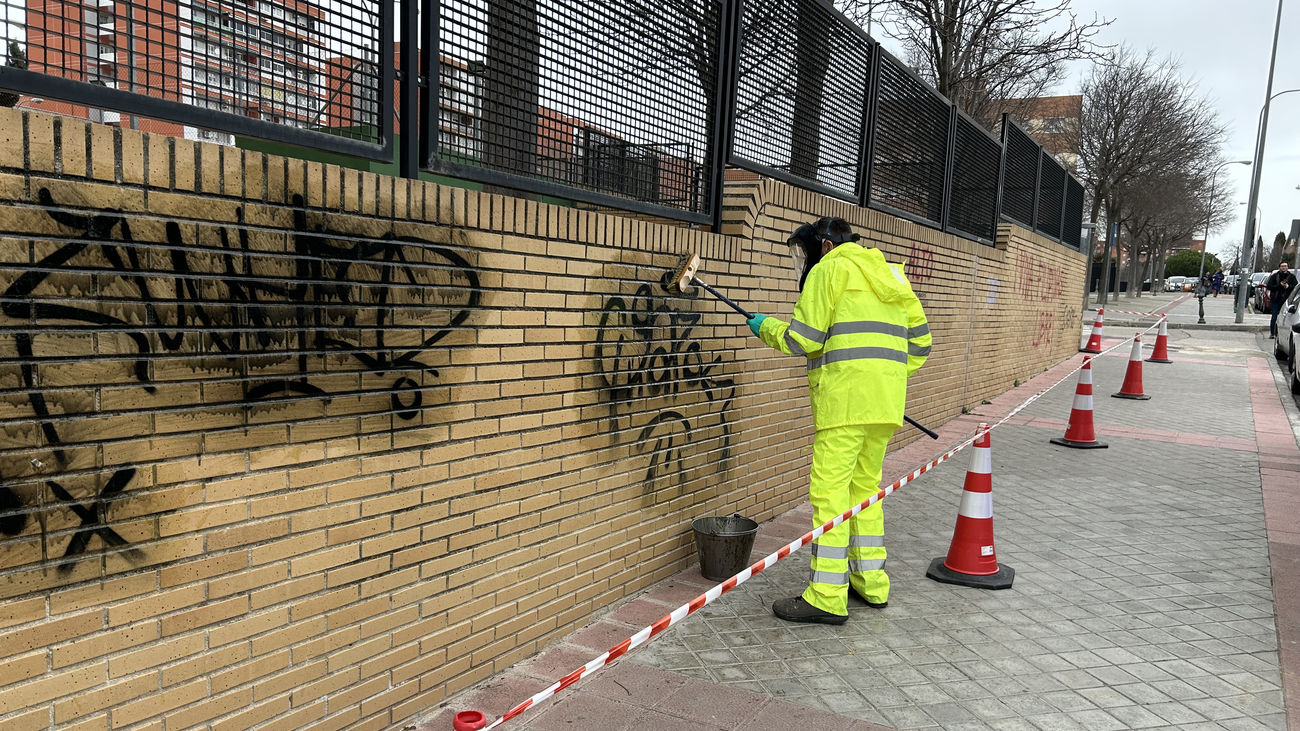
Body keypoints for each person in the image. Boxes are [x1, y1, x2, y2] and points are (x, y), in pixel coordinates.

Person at [744, 217, 930, 624]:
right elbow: (920, 345)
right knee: (865, 492)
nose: (806, 261)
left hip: (843, 406)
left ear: (826, 246)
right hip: (884, 406)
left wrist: (765, 327)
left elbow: (803, 339)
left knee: (830, 497)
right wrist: (881, 377)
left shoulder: (828, 270)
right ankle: (871, 583)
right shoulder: (892, 274)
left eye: (807, 252)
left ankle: (827, 596)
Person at [1265, 262, 1297, 338]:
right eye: (1282, 266)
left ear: (1287, 267)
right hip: (1276, 300)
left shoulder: (1292, 277)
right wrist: (1279, 285)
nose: (1284, 267)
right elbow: (1269, 286)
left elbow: (1295, 287)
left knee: (1286, 318)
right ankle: (1272, 333)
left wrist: (1288, 286)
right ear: (1279, 267)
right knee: (1274, 317)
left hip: (1287, 301)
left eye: (1285, 266)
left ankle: (1283, 334)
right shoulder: (1274, 276)